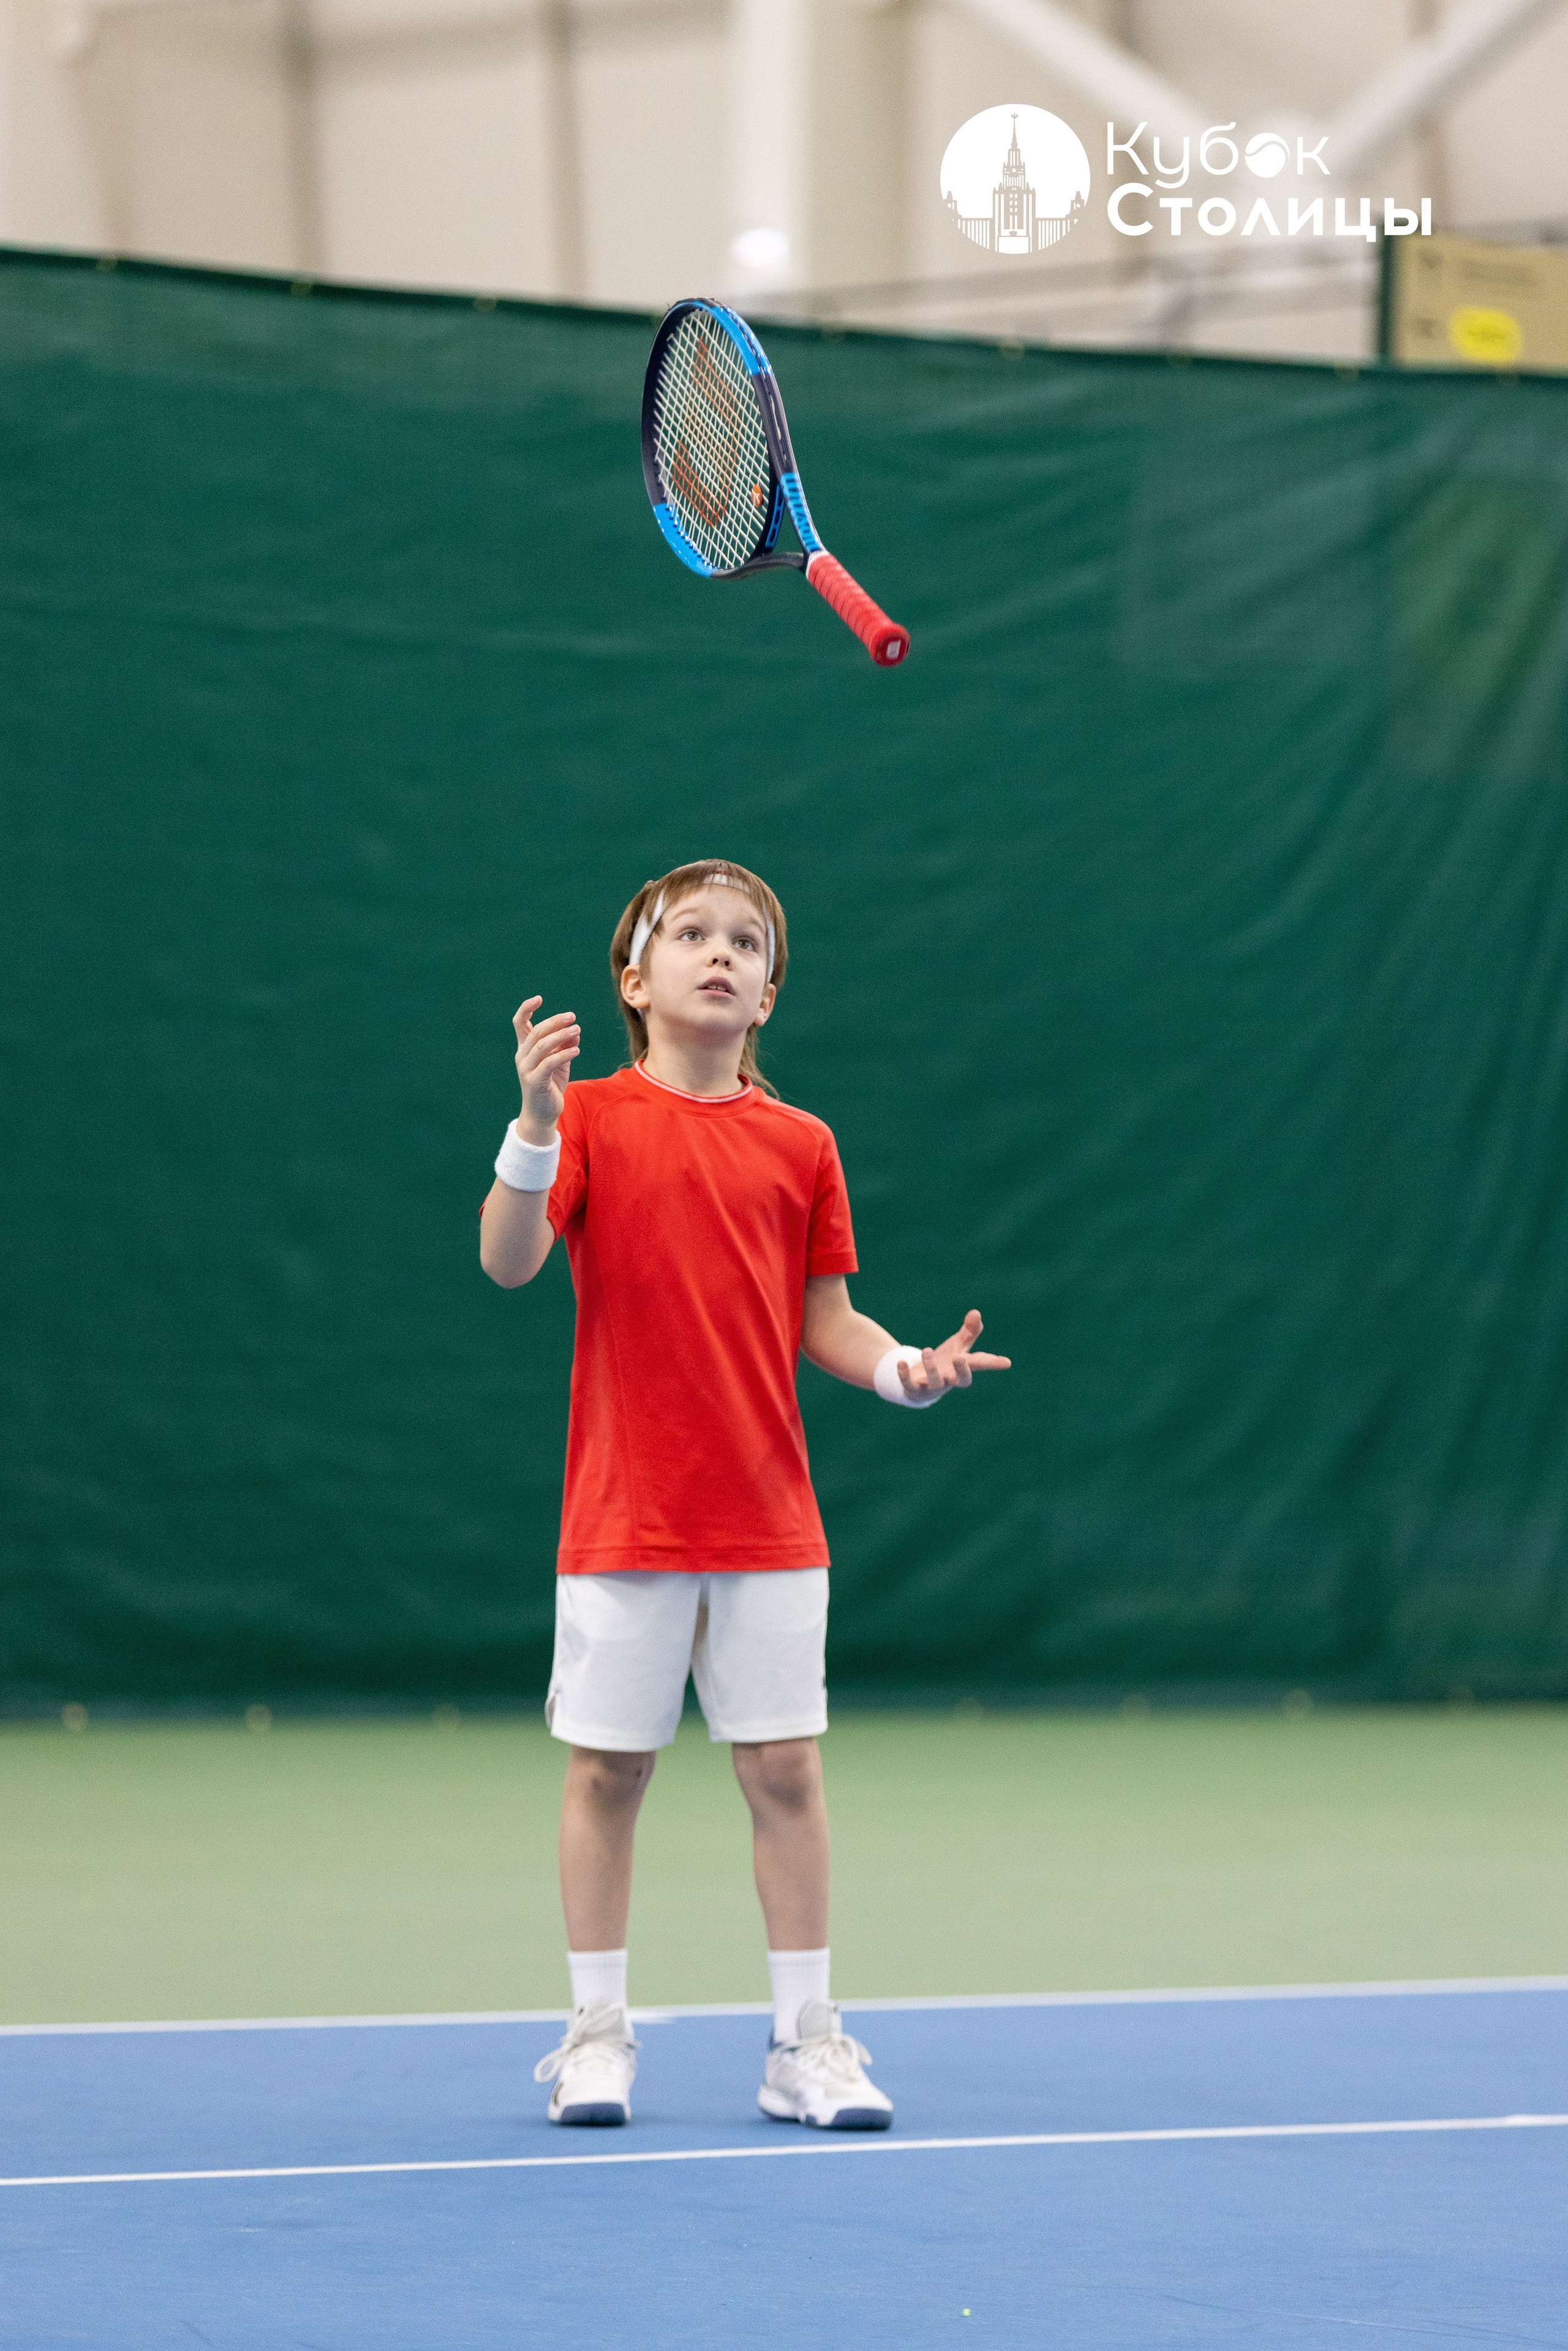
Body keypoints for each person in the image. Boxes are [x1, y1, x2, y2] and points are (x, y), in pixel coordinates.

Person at [479, 859, 1009, 2132]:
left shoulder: (800, 1143)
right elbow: (508, 1261)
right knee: (607, 1771)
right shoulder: (588, 1119)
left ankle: (804, 2044)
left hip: (768, 1520)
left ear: (768, 991)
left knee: (783, 1769)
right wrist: (533, 1122)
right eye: (692, 934)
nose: (720, 953)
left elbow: (822, 1318)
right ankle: (596, 2033)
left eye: (747, 941)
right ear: (635, 976)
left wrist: (902, 1369)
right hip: (621, 1515)